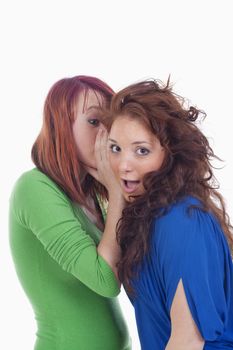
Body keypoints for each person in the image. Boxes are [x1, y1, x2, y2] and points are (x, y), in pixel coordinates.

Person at [101, 79, 233, 349]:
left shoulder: (180, 220)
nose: (123, 165)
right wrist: (114, 192)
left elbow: (188, 341)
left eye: (142, 150)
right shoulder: (150, 216)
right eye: (115, 148)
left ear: (170, 154)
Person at [9, 75, 131, 350]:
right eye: (93, 121)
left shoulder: (92, 193)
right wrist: (115, 192)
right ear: (61, 127)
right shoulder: (34, 188)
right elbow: (106, 281)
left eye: (111, 122)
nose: (106, 133)